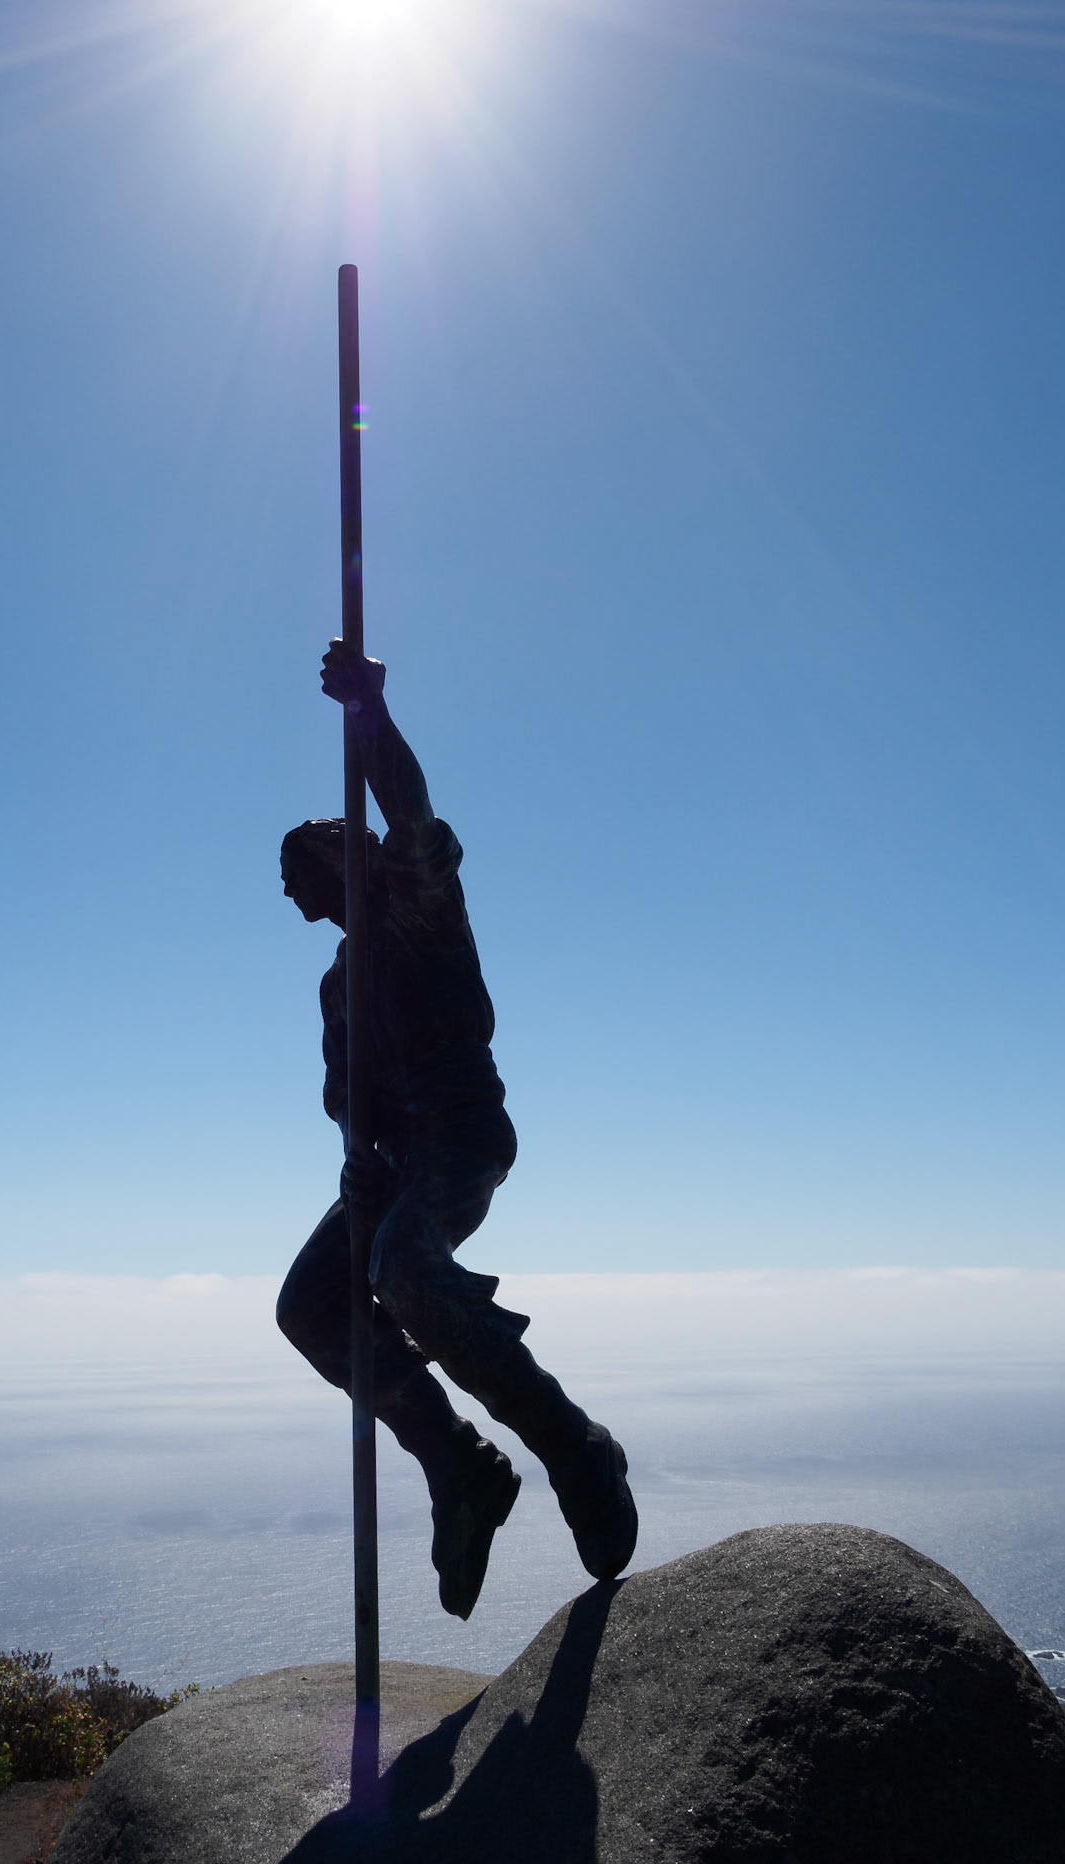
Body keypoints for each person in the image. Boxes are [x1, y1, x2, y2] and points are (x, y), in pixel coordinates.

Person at [276, 641, 638, 1621]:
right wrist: (358, 1157)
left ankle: (574, 1447)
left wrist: (367, 713)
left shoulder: (420, 906)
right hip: (395, 1161)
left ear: (340, 853)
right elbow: (346, 1097)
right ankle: (458, 1468)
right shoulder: (334, 982)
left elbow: (409, 810)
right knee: (309, 1304)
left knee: (405, 1267)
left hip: (462, 1130)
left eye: (299, 858)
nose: (288, 885)